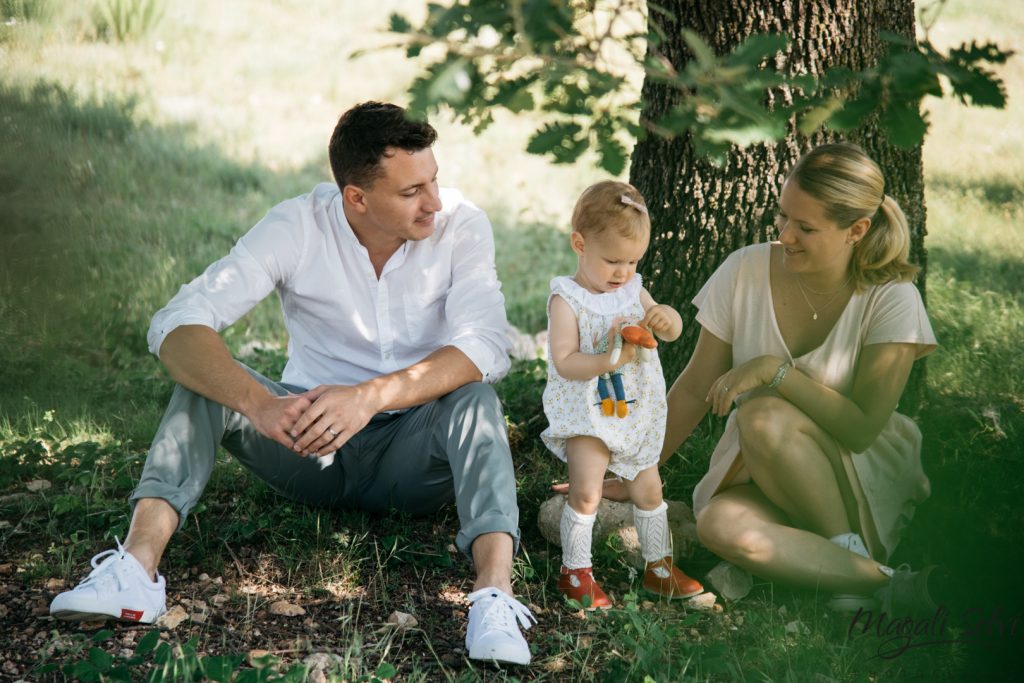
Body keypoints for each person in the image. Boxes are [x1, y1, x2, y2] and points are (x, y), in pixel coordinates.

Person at [49, 101, 536, 665]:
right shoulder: (297, 225)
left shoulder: (461, 224)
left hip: (416, 451)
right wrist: (259, 404)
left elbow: (485, 346)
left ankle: (493, 599)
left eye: (433, 180)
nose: (431, 202)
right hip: (308, 446)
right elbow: (178, 323)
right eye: (410, 192)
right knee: (206, 383)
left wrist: (370, 396)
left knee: (476, 397)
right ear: (356, 196)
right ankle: (135, 570)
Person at [645, 142, 938, 615]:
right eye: (782, 218)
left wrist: (774, 372)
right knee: (716, 526)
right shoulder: (745, 269)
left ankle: (849, 549)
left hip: (857, 476)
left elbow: (861, 430)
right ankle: (878, 581)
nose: (785, 235)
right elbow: (698, 386)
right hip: (761, 467)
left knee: (758, 414)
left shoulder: (893, 299)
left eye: (805, 227)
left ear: (856, 230)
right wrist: (643, 469)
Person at [541, 181, 704, 609]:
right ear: (580, 243)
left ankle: (659, 567)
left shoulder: (633, 289)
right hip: (588, 414)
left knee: (649, 490)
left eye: (632, 261)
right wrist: (607, 361)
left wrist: (666, 320)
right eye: (612, 260)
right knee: (587, 492)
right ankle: (576, 573)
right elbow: (564, 361)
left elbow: (668, 329)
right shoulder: (567, 299)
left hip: (633, 415)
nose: (623, 272)